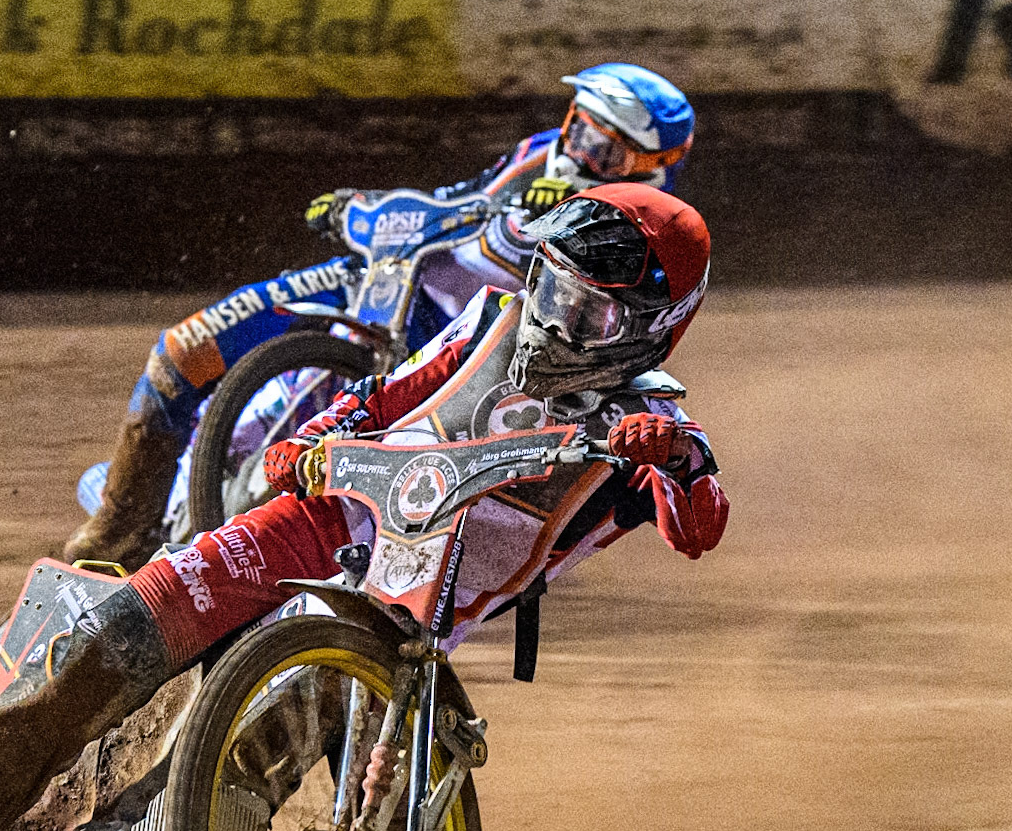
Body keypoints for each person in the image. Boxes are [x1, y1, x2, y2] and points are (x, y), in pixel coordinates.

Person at [0, 181, 729, 831]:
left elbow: (701, 523)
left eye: (590, 313)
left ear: (654, 326)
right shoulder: (490, 323)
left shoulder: (655, 432)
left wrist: (671, 458)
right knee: (113, 641)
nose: (556, 319)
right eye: (551, 286)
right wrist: (314, 439)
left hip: (398, 640)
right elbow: (385, 395)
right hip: (314, 528)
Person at [62, 62, 698, 571]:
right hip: (384, 286)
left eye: (608, 152)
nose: (581, 154)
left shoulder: (635, 229)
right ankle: (119, 529)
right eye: (581, 130)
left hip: (461, 351)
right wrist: (361, 207)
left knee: (282, 454)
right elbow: (456, 201)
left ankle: (225, 548)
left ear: (653, 168)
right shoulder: (538, 153)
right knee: (186, 351)